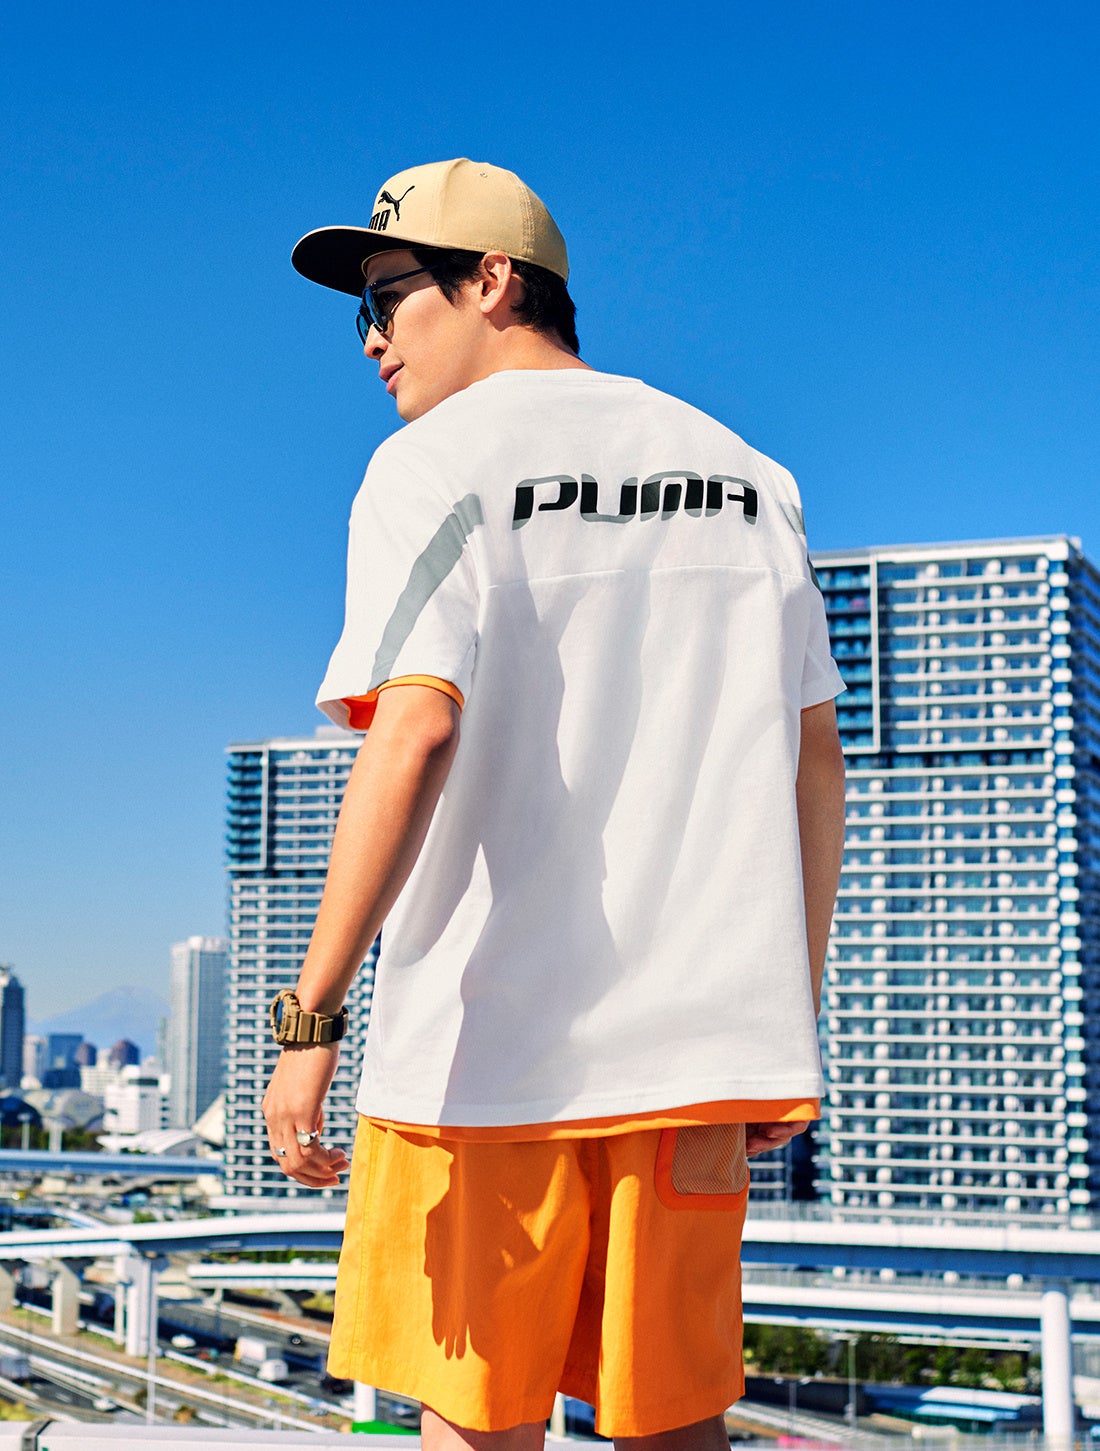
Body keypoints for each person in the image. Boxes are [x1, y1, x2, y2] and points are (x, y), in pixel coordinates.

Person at [262, 157, 846, 1451]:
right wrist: (782, 1026)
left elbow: (413, 730)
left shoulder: (432, 466)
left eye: (388, 298)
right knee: (672, 1420)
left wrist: (309, 1021)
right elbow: (816, 763)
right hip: (700, 1062)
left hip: (484, 1065)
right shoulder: (752, 476)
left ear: (492, 281)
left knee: (480, 1423)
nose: (371, 341)